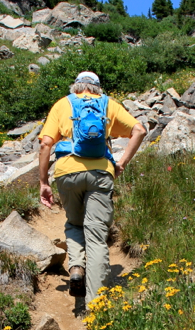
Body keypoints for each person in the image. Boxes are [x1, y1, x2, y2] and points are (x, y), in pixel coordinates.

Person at [39, 70, 146, 305]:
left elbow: (46, 143)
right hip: (100, 172)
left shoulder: (62, 104)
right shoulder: (108, 104)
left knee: (75, 224)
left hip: (67, 172)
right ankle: (96, 305)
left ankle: (76, 267)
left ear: (76, 85)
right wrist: (121, 163)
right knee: (96, 236)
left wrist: (43, 182)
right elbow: (139, 130)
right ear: (97, 87)